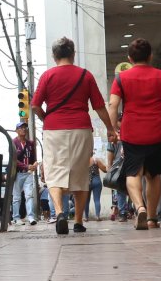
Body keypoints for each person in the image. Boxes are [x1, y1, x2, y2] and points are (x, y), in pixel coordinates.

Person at [31, 37, 117, 236]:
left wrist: (47, 120)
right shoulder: (85, 76)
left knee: (54, 172)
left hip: (54, 129)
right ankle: (78, 221)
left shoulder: (47, 76)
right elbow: (99, 106)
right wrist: (110, 128)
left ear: (54, 56)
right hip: (81, 128)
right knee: (80, 173)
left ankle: (60, 212)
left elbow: (35, 105)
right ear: (73, 54)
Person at [107, 38, 161, 230]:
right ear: (150, 56)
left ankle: (139, 207)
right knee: (153, 175)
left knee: (133, 172)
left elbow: (113, 105)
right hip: (159, 131)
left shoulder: (121, 79)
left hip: (132, 132)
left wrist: (112, 128)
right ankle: (151, 217)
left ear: (130, 58)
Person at [10, 122, 39, 226]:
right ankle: (16, 217)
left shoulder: (30, 143)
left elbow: (34, 158)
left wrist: (35, 164)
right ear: (16, 130)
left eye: (25, 127)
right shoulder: (13, 142)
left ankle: (31, 217)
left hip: (28, 173)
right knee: (17, 197)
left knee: (29, 195)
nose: (23, 129)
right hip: (17, 173)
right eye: (21, 128)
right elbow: (13, 159)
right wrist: (26, 166)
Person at [87, 152, 108, 221]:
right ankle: (97, 216)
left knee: (86, 201)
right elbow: (105, 170)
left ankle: (86, 217)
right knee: (97, 199)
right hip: (96, 181)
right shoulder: (96, 160)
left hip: (87, 182)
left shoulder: (82, 161)